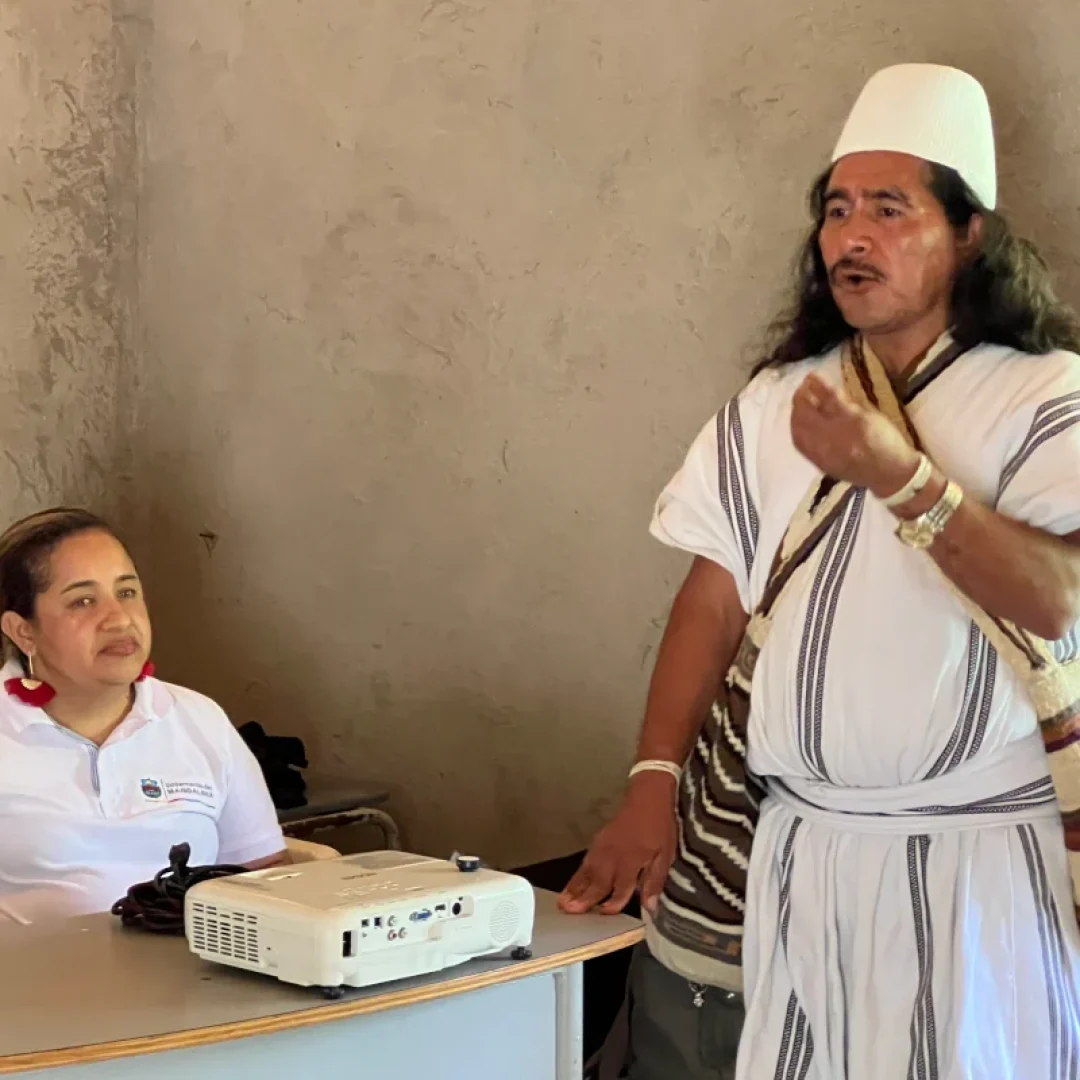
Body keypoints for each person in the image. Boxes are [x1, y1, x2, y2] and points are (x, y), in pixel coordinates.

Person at [562, 63, 1080, 1078]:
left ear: (969, 232)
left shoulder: (1046, 397)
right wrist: (651, 783)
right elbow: (713, 600)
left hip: (975, 871)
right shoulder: (776, 403)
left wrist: (900, 478)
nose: (851, 237)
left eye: (890, 210)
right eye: (837, 211)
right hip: (804, 862)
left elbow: (1058, 598)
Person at [0, 508, 288, 924]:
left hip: (198, 978)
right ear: (23, 630)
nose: (119, 619)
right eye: (83, 601)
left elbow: (268, 874)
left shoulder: (197, 719)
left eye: (128, 592)